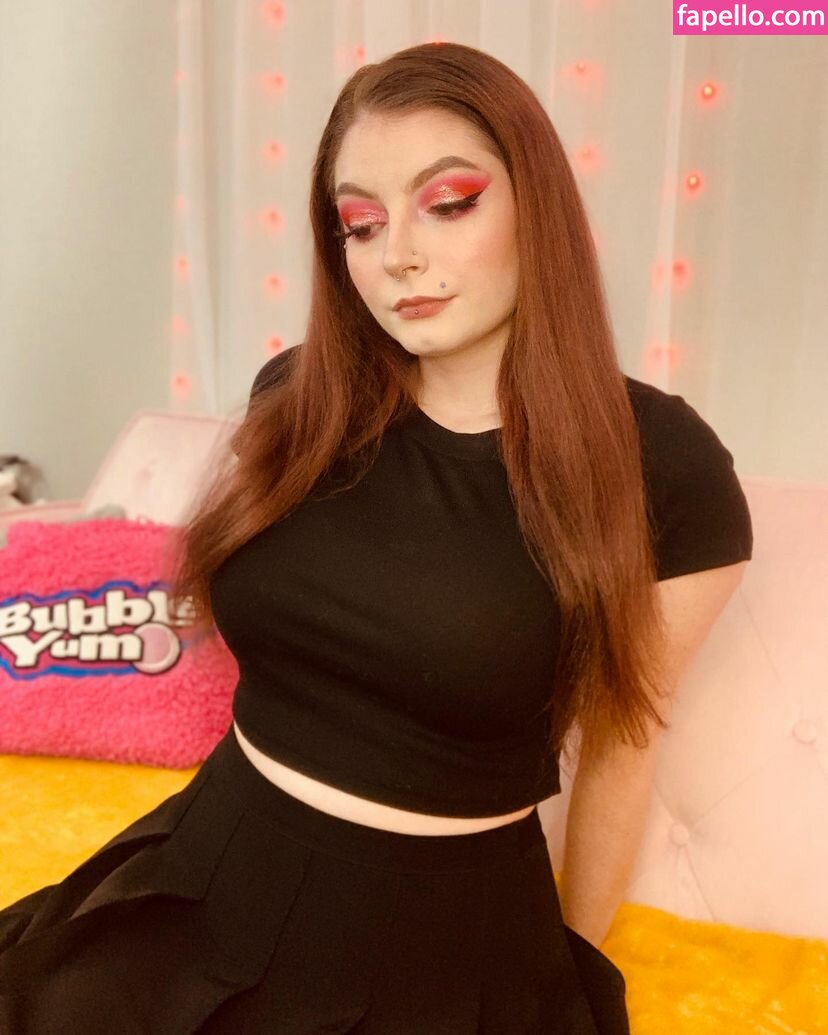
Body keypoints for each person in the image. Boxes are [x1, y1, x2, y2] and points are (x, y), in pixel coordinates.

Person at [0, 41, 753, 1034]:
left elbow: (623, 749)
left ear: (537, 207)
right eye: (360, 223)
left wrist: (574, 962)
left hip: (443, 944)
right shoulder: (299, 398)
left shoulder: (665, 464)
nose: (397, 254)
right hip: (212, 864)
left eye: (449, 203)